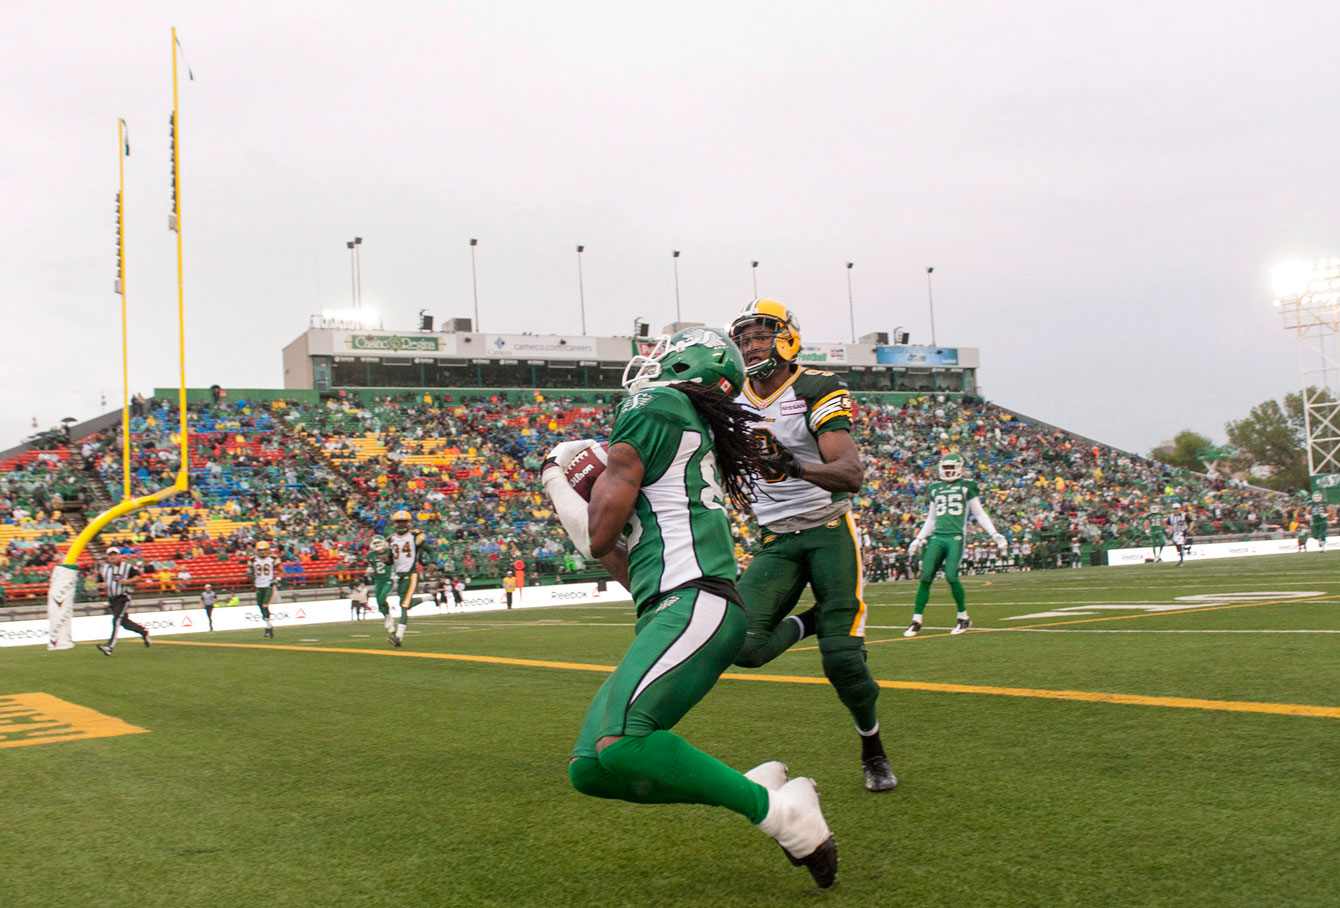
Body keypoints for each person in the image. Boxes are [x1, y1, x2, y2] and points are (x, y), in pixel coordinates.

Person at [542, 327, 838, 889]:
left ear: (683, 368)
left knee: (623, 741)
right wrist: (579, 495)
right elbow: (618, 558)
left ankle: (783, 817)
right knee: (591, 769)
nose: (651, 364)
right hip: (673, 606)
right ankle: (756, 791)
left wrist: (556, 480)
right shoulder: (682, 429)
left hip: (695, 601)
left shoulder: (655, 403)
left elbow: (596, 536)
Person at [725, 299, 896, 794]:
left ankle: (872, 748)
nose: (751, 346)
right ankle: (813, 620)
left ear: (787, 338)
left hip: (827, 529)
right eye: (744, 339)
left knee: (843, 661)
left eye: (761, 335)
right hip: (775, 537)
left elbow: (850, 474)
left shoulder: (816, 387)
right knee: (743, 646)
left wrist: (796, 467)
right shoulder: (728, 395)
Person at [904, 453, 1008, 638]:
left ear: (959, 468)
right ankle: (916, 620)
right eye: (946, 468)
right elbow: (931, 519)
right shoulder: (935, 488)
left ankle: (963, 617)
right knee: (926, 576)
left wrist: (993, 533)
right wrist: (919, 538)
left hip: (955, 537)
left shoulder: (967, 486)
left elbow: (979, 513)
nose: (948, 471)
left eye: (952, 468)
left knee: (951, 575)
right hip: (937, 537)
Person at [96, 548, 151, 655]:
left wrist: (128, 581)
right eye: (110, 555)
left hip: (123, 597)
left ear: (119, 556)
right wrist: (101, 585)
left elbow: (138, 576)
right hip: (112, 599)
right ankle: (144, 632)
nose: (113, 557)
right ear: (107, 557)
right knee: (125, 623)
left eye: (115, 554)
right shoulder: (104, 568)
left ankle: (109, 646)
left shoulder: (126, 567)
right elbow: (99, 581)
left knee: (116, 620)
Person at [386, 510, 429, 648]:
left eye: (403, 522)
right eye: (399, 522)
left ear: (408, 523)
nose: (401, 524)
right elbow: (390, 560)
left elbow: (430, 549)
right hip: (399, 576)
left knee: (404, 605)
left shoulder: (415, 536)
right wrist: (385, 560)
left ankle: (398, 637)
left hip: (411, 574)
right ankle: (429, 597)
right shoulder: (391, 539)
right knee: (405, 604)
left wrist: (433, 562)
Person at [248, 540, 280, 637]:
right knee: (261, 607)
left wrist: (277, 579)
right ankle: (268, 626)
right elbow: (250, 574)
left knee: (265, 605)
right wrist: (249, 574)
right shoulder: (253, 560)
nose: (262, 552)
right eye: (260, 550)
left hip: (268, 586)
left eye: (264, 550)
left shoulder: (273, 558)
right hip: (258, 586)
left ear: (268, 550)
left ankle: (268, 627)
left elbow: (282, 571)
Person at [367, 536, 396, 634]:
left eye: (378, 542)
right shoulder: (371, 555)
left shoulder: (389, 552)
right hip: (378, 581)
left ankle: (388, 616)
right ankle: (387, 617)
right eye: (375, 543)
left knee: (382, 598)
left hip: (388, 579)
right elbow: (372, 566)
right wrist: (370, 570)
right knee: (379, 602)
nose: (377, 545)